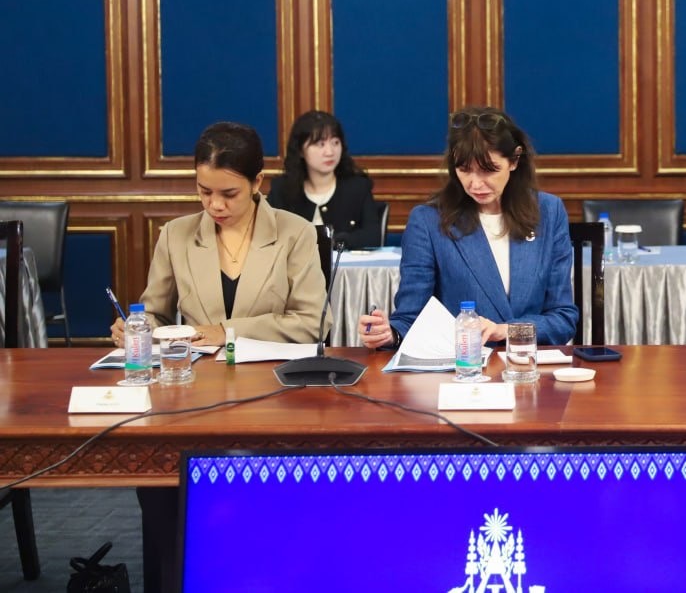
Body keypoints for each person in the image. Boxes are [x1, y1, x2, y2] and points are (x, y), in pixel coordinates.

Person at [109, 121, 327, 593]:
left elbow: (311, 323)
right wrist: (135, 327)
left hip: (274, 397)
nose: (215, 206)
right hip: (191, 396)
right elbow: (156, 311)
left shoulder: (294, 233)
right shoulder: (176, 235)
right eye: (203, 192)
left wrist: (225, 332)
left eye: (228, 193)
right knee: (160, 489)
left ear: (258, 182)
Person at [358, 107, 578, 348]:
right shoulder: (429, 220)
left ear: (514, 160)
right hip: (462, 363)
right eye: (464, 170)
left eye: (488, 170)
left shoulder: (549, 211)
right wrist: (389, 334)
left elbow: (562, 318)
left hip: (528, 362)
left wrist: (505, 331)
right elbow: (411, 318)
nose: (475, 184)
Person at [268, 109, 381, 248]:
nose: (330, 152)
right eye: (320, 144)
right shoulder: (282, 189)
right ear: (300, 150)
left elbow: (373, 236)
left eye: (335, 142)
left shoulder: (358, 187)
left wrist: (338, 242)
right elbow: (268, 235)